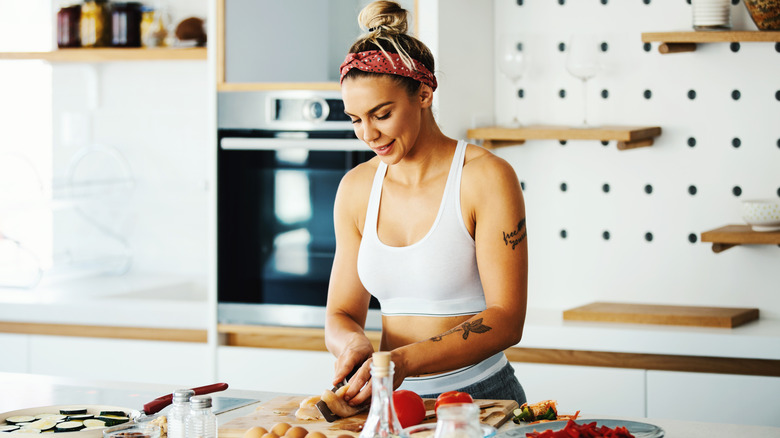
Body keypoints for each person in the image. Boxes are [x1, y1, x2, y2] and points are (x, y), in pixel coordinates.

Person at [324, 0, 528, 407]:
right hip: (390, 401)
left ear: (424, 93)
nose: (367, 134)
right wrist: (352, 345)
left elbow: (507, 319)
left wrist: (403, 361)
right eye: (355, 119)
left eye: (381, 114)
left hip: (479, 398)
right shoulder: (356, 188)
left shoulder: (485, 176)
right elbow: (341, 312)